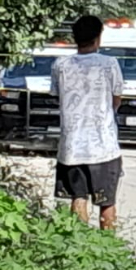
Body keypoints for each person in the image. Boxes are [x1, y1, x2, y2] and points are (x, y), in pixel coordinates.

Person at [50, 16, 124, 230]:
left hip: (71, 146)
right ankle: (108, 246)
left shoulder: (60, 65)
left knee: (77, 197)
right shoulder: (109, 64)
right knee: (107, 201)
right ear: (98, 38)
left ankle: (79, 244)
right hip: (103, 146)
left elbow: (57, 95)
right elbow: (116, 99)